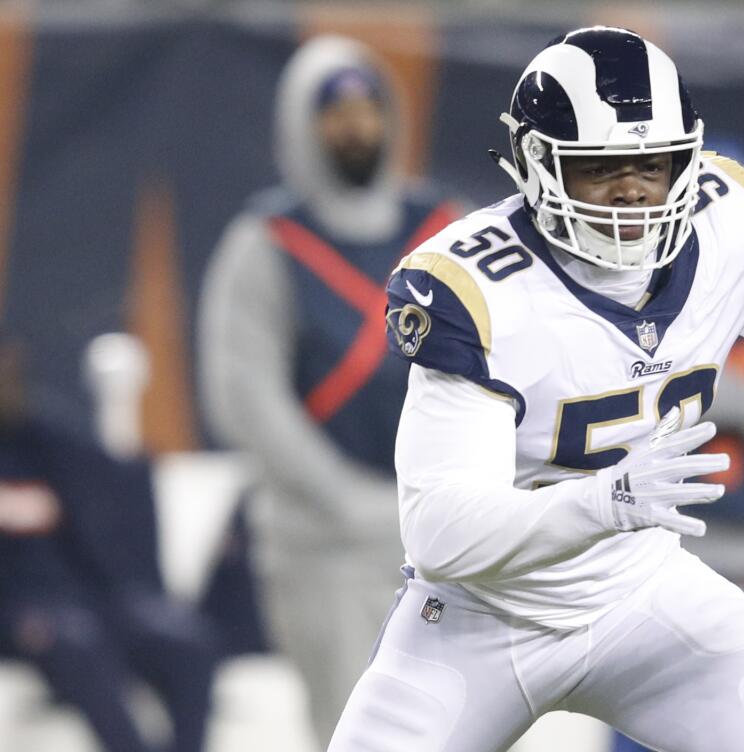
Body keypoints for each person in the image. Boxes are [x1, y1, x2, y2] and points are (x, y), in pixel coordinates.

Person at [329, 27, 744, 752]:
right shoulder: (478, 290)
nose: (631, 186)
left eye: (650, 163)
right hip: (480, 614)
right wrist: (607, 500)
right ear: (538, 168)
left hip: (637, 588)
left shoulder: (728, 220)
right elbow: (440, 535)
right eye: (602, 167)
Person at [197, 34, 461, 746]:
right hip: (323, 545)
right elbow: (244, 397)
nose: (355, 127)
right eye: (333, 111)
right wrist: (345, 497)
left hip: (445, 537)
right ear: (300, 123)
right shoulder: (267, 243)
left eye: (367, 107)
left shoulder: (444, 231)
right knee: (359, 728)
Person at [0, 335, 218, 752]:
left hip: (91, 599)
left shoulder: (48, 440)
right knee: (77, 642)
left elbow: (114, 495)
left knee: (188, 643)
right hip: (25, 612)